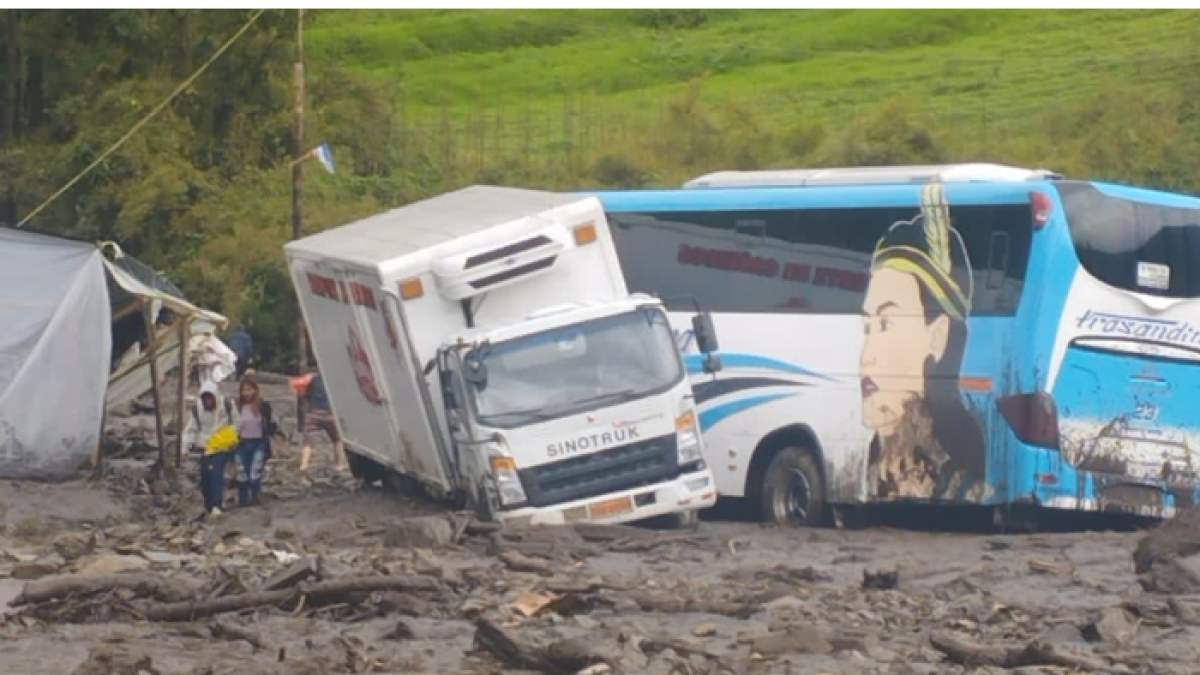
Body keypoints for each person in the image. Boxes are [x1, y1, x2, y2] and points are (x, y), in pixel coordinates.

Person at [858, 178, 988, 503]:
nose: (866, 356)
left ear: (937, 337)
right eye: (867, 328)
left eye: (887, 323)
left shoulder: (964, 475)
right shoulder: (878, 456)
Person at [181, 381, 240, 517]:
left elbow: (237, 423)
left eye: (210, 398)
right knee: (205, 477)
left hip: (221, 446)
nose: (208, 401)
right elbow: (191, 430)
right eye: (205, 398)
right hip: (205, 447)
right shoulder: (197, 409)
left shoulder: (227, 405)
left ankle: (216, 505)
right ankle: (209, 506)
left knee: (216, 474)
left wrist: (227, 436)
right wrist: (185, 448)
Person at [234, 375, 276, 506]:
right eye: (244, 390)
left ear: (255, 390)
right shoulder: (236, 406)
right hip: (240, 443)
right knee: (242, 472)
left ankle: (255, 496)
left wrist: (277, 437)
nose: (247, 393)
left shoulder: (263, 406)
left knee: (255, 470)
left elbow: (269, 424)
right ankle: (243, 499)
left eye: (249, 390)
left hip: (258, 442)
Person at [299, 370, 348, 474]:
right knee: (337, 440)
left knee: (308, 442)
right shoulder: (334, 380)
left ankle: (304, 465)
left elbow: (306, 395)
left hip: (313, 412)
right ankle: (339, 465)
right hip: (330, 413)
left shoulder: (313, 379)